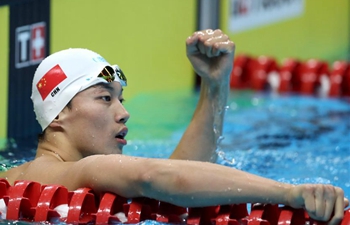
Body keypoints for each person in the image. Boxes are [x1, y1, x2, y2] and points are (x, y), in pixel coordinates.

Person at [0, 29, 348, 225]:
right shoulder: (84, 170)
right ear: (58, 114)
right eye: (105, 98)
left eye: (122, 99)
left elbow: (178, 175)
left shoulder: (17, 178)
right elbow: (155, 176)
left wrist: (214, 86)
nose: (124, 113)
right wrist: (288, 194)